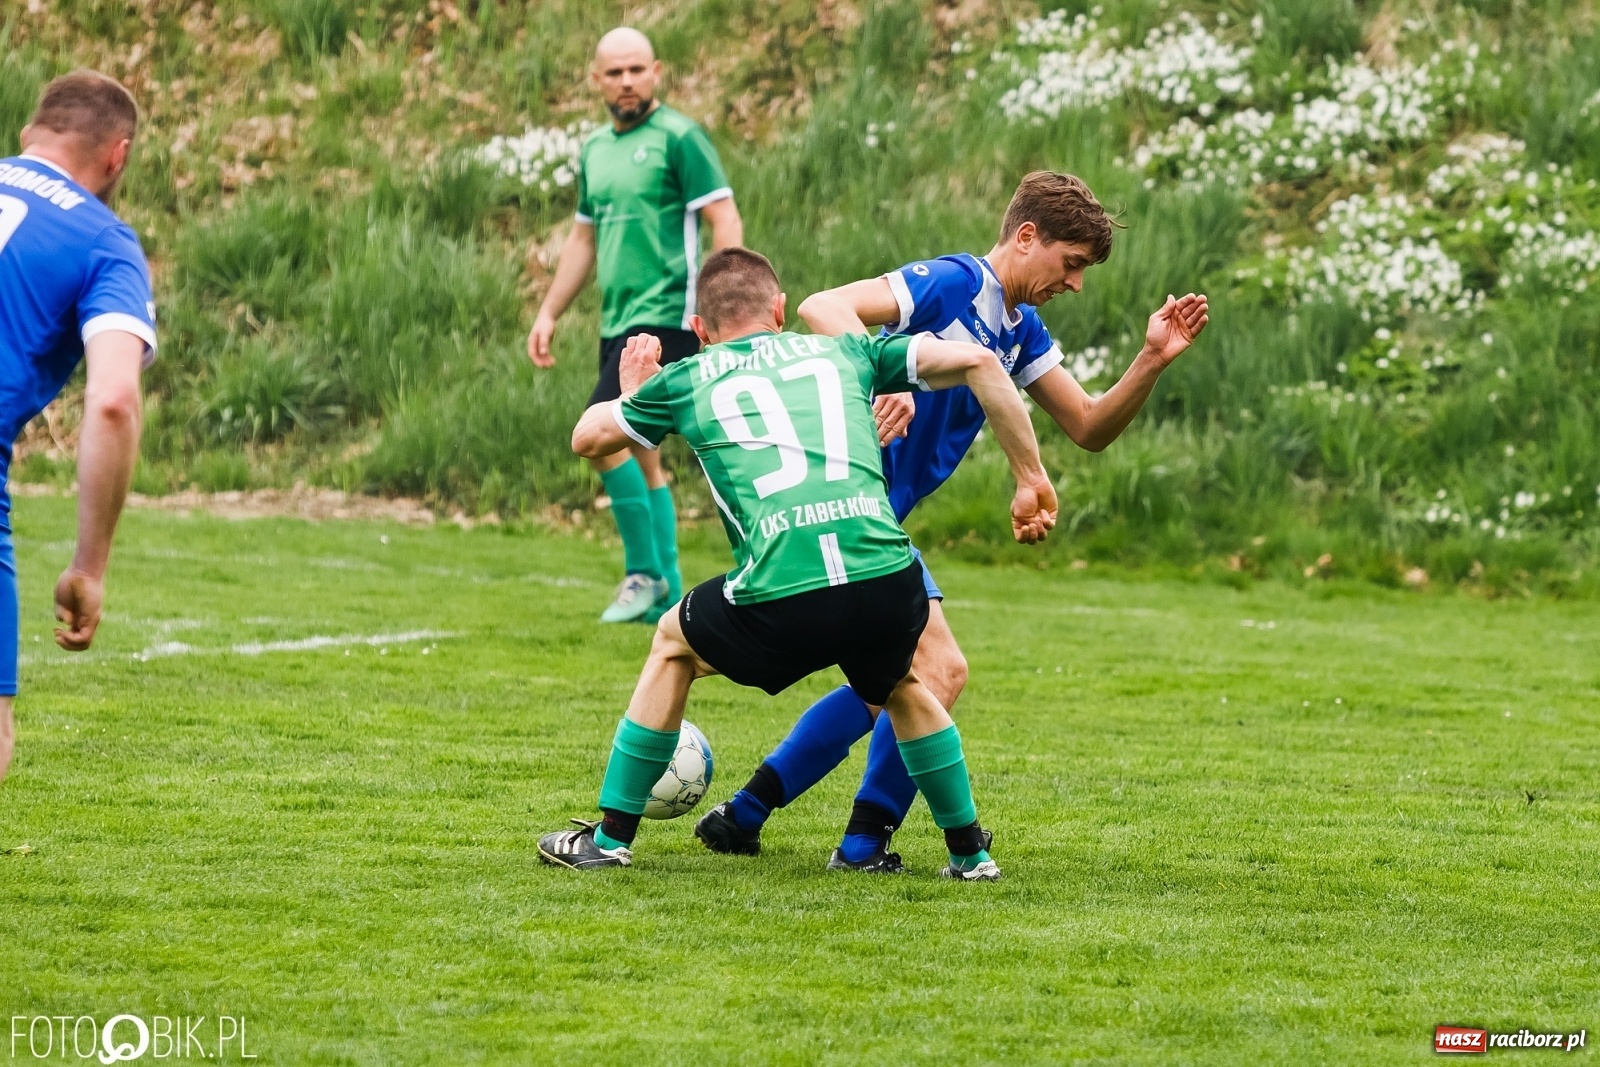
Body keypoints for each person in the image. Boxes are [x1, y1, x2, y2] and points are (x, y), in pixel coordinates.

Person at [694, 172, 1210, 871]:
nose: (1076, 283)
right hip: (847, 507)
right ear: (1026, 237)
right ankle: (860, 842)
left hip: (872, 516)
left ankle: (746, 814)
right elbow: (823, 306)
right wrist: (884, 375)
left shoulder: (1019, 332)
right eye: (1071, 263)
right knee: (936, 671)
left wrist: (1151, 359)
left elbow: (1088, 426)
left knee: (893, 683)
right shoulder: (950, 283)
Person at [536, 248, 1058, 880]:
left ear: (700, 329)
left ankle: (609, 840)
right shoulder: (846, 351)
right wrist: (1030, 476)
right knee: (901, 685)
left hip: (783, 583)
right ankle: (970, 855)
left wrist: (632, 393)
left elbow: (587, 438)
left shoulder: (690, 375)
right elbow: (979, 362)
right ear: (780, 311)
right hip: (887, 577)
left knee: (673, 643)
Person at [527, 26, 744, 625]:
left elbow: (724, 218)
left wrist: (720, 306)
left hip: (669, 317)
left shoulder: (680, 137)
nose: (627, 81)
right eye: (615, 72)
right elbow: (582, 239)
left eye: (636, 70)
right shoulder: (595, 149)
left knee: (600, 438)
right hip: (617, 321)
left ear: (656, 73)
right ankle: (666, 588)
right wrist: (549, 310)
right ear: (596, 80)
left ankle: (645, 574)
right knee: (642, 452)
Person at [0, 71, 154, 783]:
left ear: (29, 133)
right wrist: (89, 566)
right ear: (118, 156)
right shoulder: (104, 243)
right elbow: (114, 398)